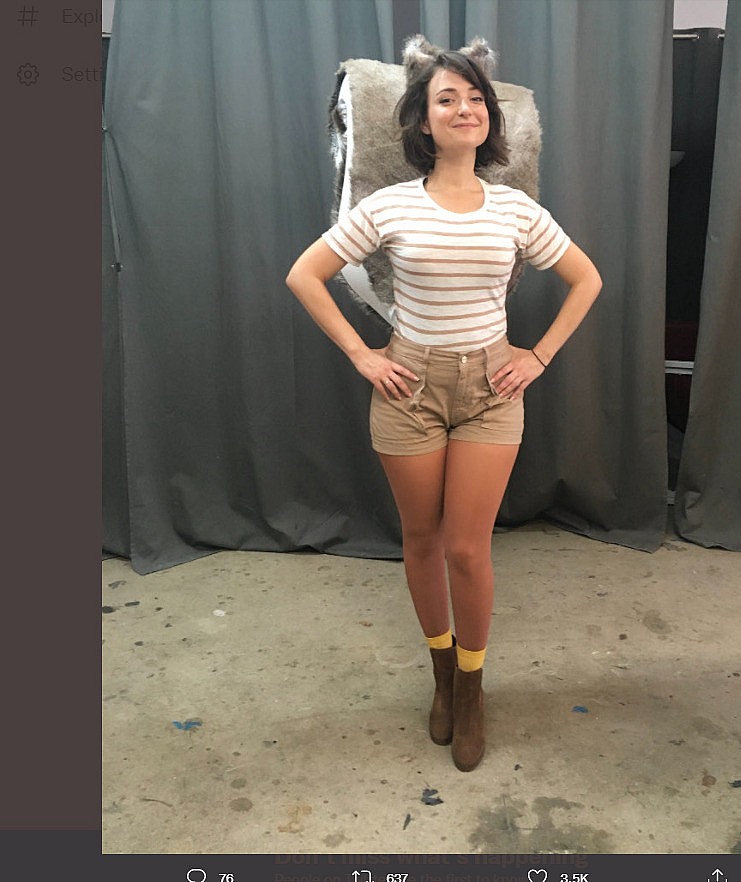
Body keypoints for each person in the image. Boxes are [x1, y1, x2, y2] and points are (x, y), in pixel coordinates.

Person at [283, 39, 603, 772]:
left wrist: (537, 356)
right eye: (446, 99)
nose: (465, 109)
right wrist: (363, 355)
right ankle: (440, 674)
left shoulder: (516, 209)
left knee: (467, 547)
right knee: (422, 539)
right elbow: (306, 274)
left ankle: (473, 685)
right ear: (422, 122)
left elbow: (586, 279)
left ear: (491, 119)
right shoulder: (389, 205)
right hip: (409, 388)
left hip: (491, 389)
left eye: (475, 99)